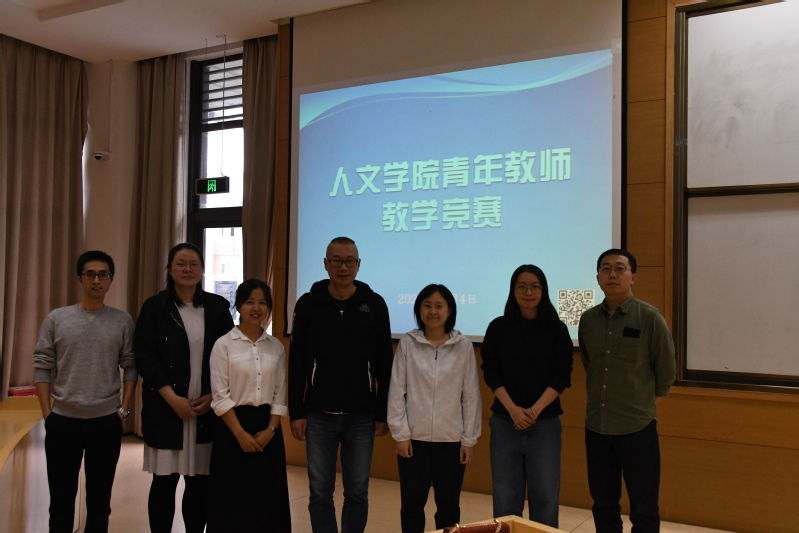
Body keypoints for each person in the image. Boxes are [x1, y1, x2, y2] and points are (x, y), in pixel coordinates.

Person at [289, 236, 393, 533]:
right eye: (336, 260)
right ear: (326, 264)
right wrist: (296, 411)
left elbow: (385, 363)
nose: (343, 267)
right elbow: (297, 361)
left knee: (357, 492)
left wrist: (383, 412)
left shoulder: (374, 304)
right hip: (317, 415)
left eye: (349, 261)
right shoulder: (308, 304)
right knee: (320, 492)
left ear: (359, 265)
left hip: (362, 415)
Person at [33, 250, 137, 533]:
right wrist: (47, 413)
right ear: (80, 278)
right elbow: (42, 364)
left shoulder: (122, 321)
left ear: (111, 279)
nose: (96, 280)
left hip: (106, 421)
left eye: (103, 275)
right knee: (61, 502)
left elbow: (130, 366)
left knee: (100, 503)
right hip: (62, 421)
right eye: (90, 274)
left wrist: (123, 410)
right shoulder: (57, 318)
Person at [134, 243, 234, 533]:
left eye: (193, 264)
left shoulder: (216, 307)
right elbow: (145, 358)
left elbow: (229, 355)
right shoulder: (154, 307)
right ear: (169, 270)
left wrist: (214, 396)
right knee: (164, 482)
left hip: (205, 409)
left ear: (202, 270)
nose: (187, 269)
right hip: (166, 409)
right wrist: (172, 399)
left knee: (200, 483)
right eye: (180, 264)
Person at [578, 249, 676, 533]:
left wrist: (641, 401)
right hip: (597, 427)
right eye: (606, 269)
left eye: (620, 268)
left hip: (637, 428)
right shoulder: (588, 320)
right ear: (598, 277)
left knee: (644, 508)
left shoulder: (650, 317)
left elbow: (665, 370)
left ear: (633, 277)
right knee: (603, 504)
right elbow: (589, 363)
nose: (612, 274)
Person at [480, 264, 573, 528]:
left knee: (545, 499)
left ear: (543, 290)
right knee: (505, 500)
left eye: (534, 287)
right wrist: (513, 410)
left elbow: (562, 375)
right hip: (505, 423)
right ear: (513, 290)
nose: (528, 292)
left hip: (545, 425)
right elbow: (491, 372)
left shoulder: (557, 329)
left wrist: (533, 411)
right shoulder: (498, 327)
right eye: (522, 286)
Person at [387, 283, 481, 533]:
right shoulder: (408, 343)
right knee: (412, 505)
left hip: (451, 442)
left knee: (449, 507)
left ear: (449, 310)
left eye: (439, 306)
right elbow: (397, 391)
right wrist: (400, 434)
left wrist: (469, 440)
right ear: (419, 310)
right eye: (427, 305)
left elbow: (471, 396)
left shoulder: (463, 346)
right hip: (413, 441)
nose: (433, 311)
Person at [207, 279, 291, 531]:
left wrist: (271, 430)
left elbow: (280, 393)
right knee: (232, 500)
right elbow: (220, 396)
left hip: (267, 429)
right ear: (238, 306)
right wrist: (240, 435)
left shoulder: (276, 347)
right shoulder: (223, 345)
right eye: (250, 302)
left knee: (267, 500)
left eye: (262, 303)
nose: (256, 308)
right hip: (232, 428)